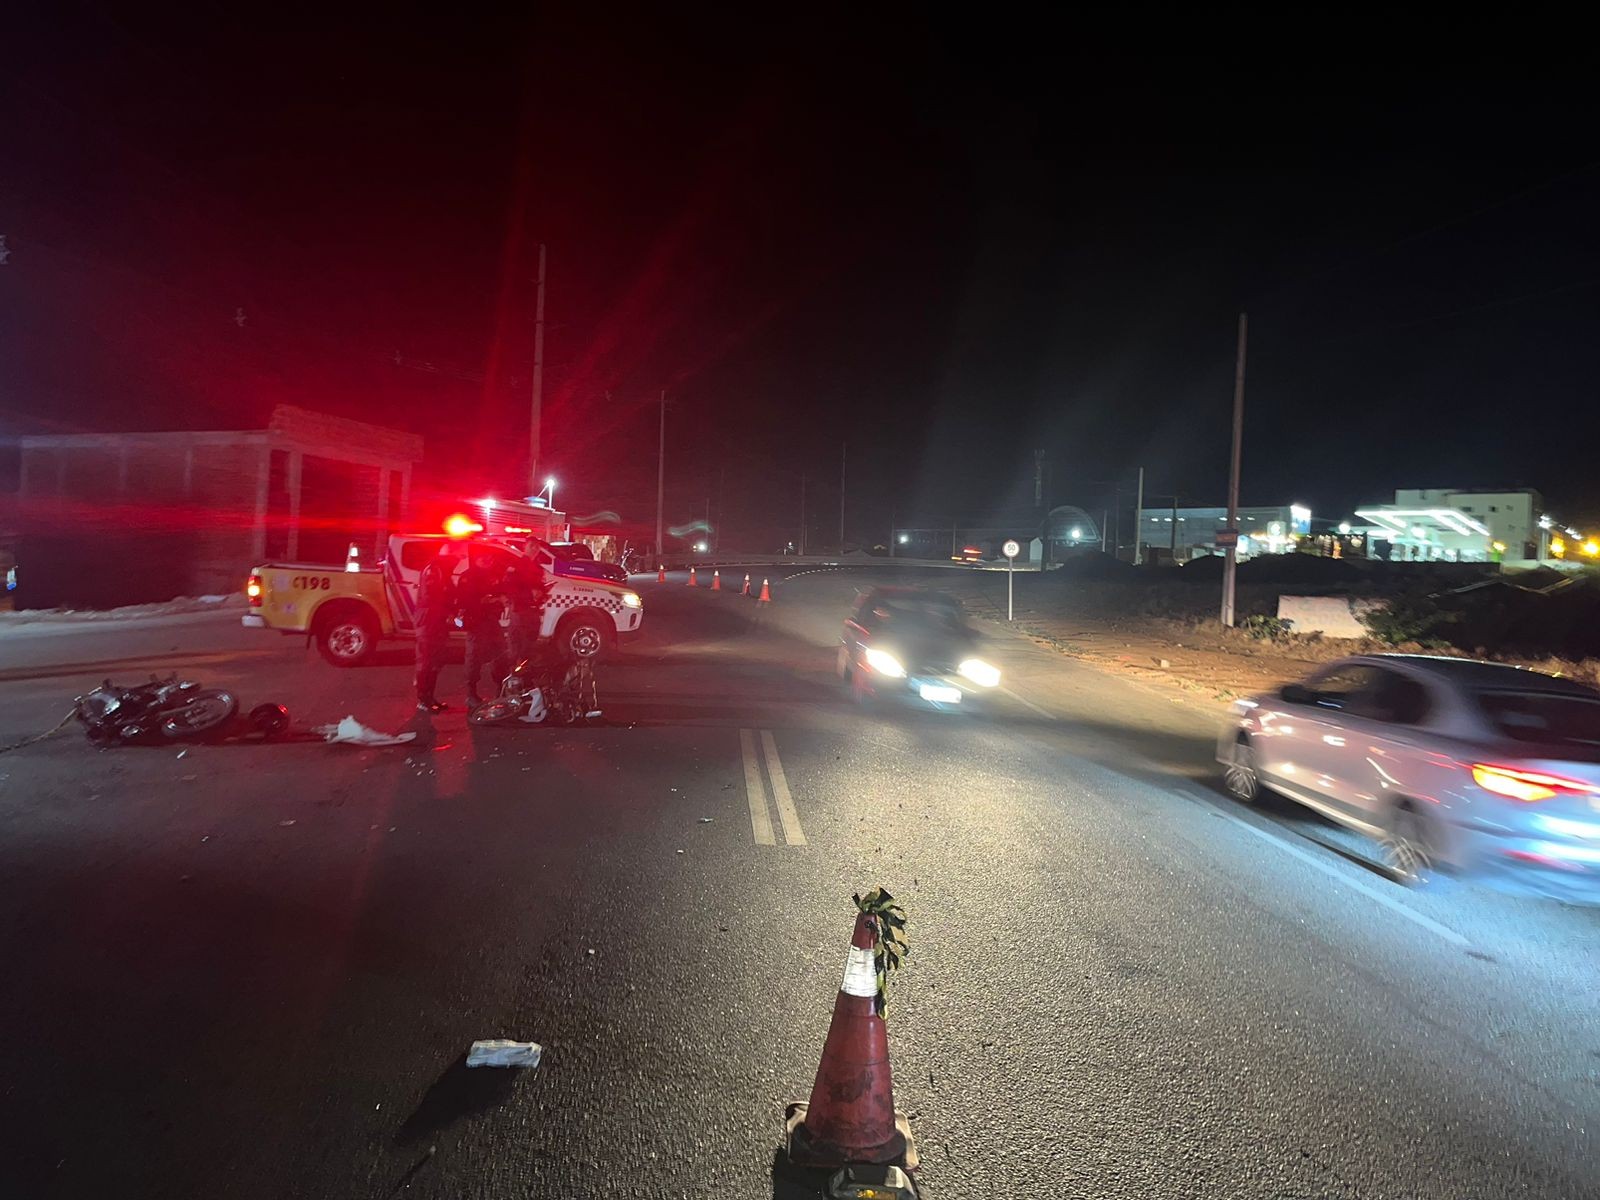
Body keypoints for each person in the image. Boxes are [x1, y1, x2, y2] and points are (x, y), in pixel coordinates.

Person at [457, 554, 510, 707]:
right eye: (485, 558)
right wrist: (489, 600)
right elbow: (464, 601)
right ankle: (471, 693)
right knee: (474, 657)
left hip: (491, 621)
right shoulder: (468, 577)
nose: (489, 561)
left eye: (490, 558)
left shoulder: (493, 575)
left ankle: (501, 688)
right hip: (475, 623)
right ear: (477, 558)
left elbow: (500, 591)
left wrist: (501, 598)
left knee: (500, 654)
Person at [414, 544, 460, 713]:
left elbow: (449, 596)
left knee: (435, 662)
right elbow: (432, 597)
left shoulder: (444, 572)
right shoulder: (433, 571)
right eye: (454, 559)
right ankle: (423, 699)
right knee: (426, 661)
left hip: (438, 623)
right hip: (428, 622)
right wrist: (448, 612)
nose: (456, 563)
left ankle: (430, 697)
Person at [501, 557, 550, 671]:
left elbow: (540, 585)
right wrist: (529, 593)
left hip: (533, 610)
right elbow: (510, 586)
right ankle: (514, 674)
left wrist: (542, 593)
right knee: (517, 645)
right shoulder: (516, 564)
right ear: (525, 547)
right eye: (531, 545)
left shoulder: (537, 566)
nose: (534, 549)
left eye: (536, 546)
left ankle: (526, 672)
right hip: (519, 610)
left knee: (530, 643)